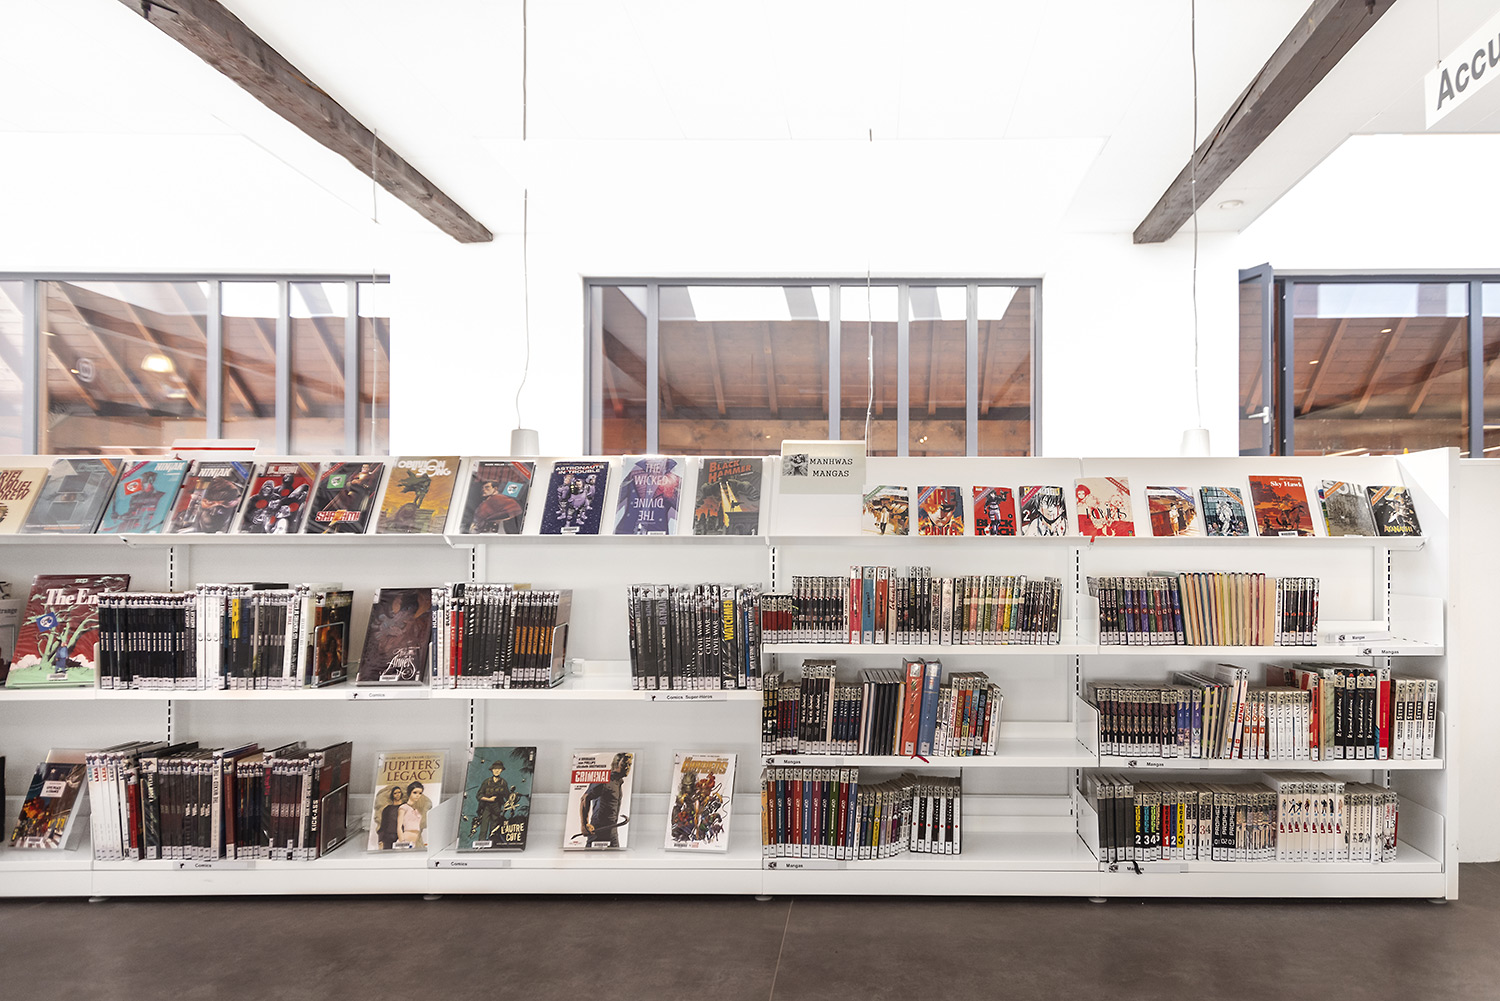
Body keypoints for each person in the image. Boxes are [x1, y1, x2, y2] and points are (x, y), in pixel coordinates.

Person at [578, 752, 631, 848]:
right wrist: (584, 825)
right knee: (592, 857)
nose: (627, 767)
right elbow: (585, 798)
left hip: (612, 832)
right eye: (624, 764)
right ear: (616, 763)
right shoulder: (605, 779)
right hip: (598, 832)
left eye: (629, 764)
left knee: (616, 856)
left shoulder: (618, 782)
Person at [473, 760, 512, 841]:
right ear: (492, 770)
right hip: (486, 807)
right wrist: (489, 799)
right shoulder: (486, 782)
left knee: (494, 829)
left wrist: (511, 801)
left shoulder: (503, 783)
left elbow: (508, 796)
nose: (497, 771)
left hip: (497, 808)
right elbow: (479, 795)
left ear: (501, 770)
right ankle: (481, 844)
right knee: (483, 828)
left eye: (499, 769)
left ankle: (492, 844)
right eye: (495, 769)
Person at [398, 780, 428, 848]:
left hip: (415, 842)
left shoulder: (418, 809)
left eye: (420, 793)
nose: (417, 795)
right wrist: (402, 842)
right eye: (415, 792)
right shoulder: (403, 807)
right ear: (409, 793)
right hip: (405, 841)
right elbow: (399, 827)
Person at [375, 784, 405, 850]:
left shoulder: (406, 807)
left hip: (402, 836)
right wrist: (380, 839)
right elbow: (383, 825)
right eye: (395, 793)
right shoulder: (387, 809)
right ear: (392, 795)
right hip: (388, 837)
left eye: (399, 792)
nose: (397, 794)